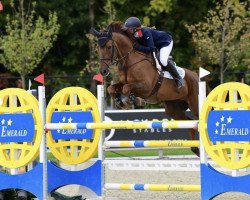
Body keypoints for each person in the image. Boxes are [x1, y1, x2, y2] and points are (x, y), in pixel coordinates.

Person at [123, 17, 184, 89]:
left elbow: (151, 48)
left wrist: (138, 47)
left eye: (129, 29)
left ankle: (179, 78)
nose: (127, 31)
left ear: (135, 29)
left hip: (165, 42)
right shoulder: (135, 34)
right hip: (156, 45)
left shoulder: (145, 32)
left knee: (163, 61)